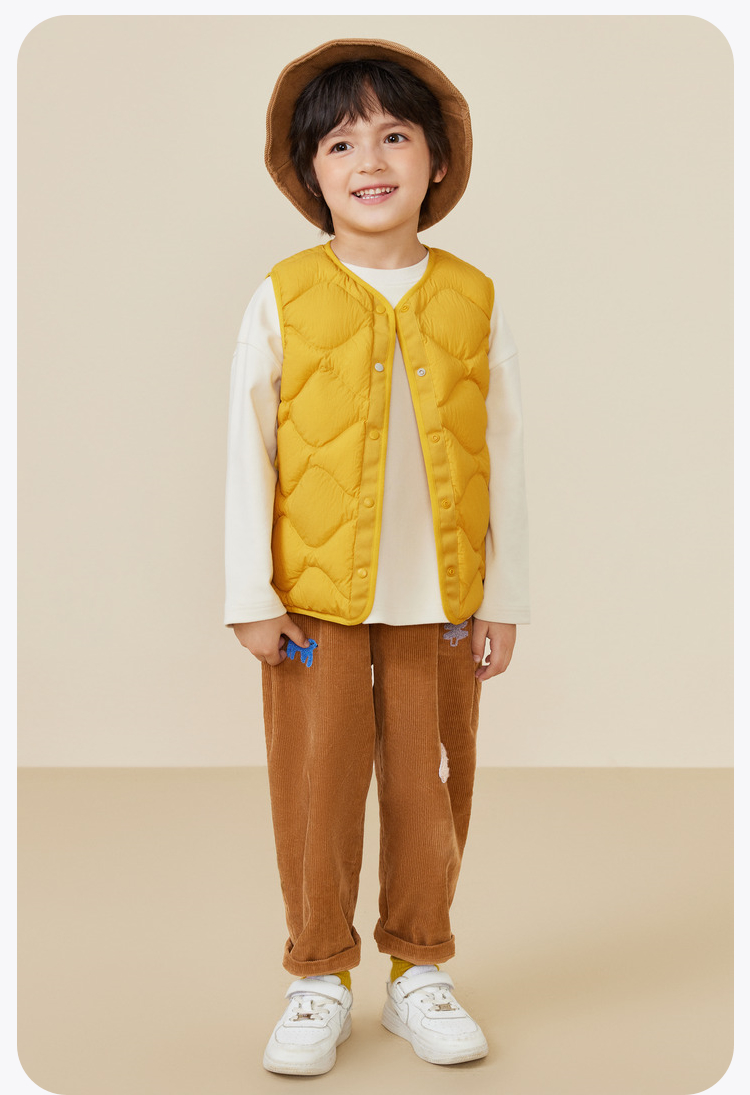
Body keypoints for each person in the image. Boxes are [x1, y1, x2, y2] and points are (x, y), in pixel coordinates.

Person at [224, 38, 530, 1075]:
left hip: (441, 601)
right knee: (316, 786)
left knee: (429, 788)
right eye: (342, 142)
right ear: (309, 171)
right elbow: (248, 447)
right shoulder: (282, 295)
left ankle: (418, 968)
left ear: (438, 160)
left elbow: (505, 452)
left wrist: (505, 595)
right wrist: (249, 592)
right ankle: (317, 974)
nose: (370, 160)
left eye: (395, 136)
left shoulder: (474, 297)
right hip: (312, 604)